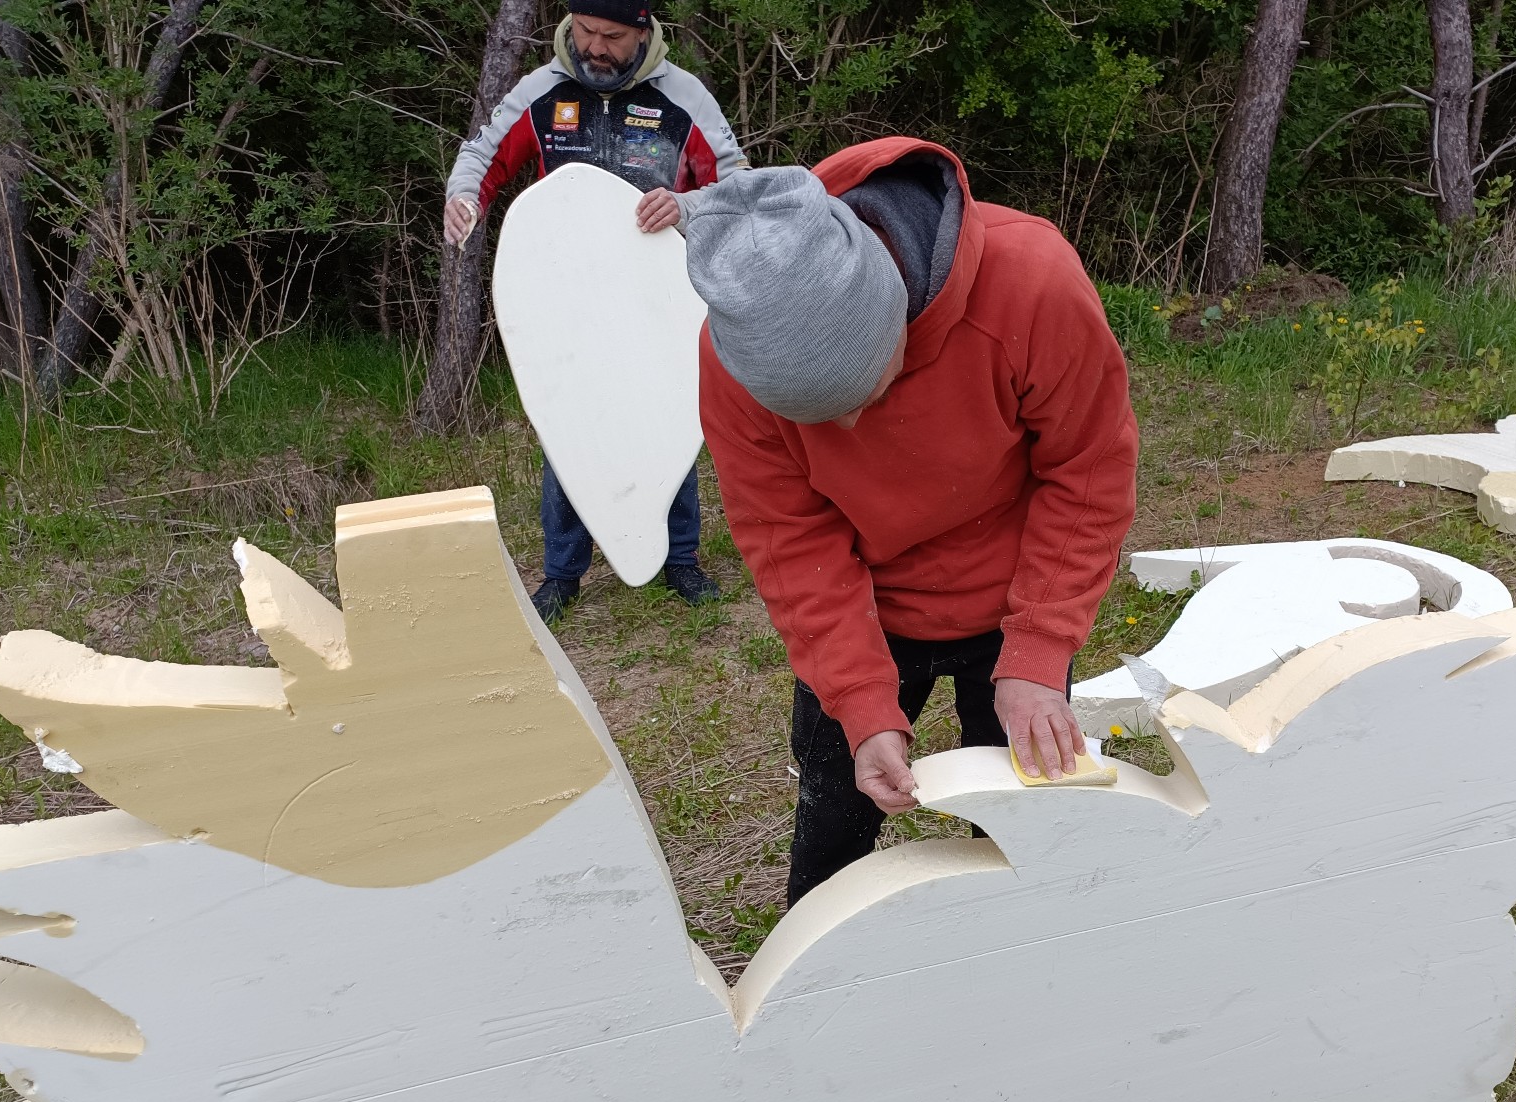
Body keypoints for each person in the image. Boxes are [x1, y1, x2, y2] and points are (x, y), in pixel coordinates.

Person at [658, 139, 1139, 906]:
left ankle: (1020, 945)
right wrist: (857, 698)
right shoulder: (732, 360)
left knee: (1025, 834)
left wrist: (1038, 649)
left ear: (890, 308)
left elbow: (1086, 470)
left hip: (1012, 590)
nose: (848, 431)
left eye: (865, 391)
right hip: (865, 609)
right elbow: (789, 538)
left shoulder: (1030, 284)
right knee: (833, 821)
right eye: (814, 418)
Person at [444, 0, 747, 618]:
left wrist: (687, 207)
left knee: (665, 417)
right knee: (571, 422)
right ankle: (562, 574)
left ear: (643, 31)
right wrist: (464, 195)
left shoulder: (684, 98)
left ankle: (679, 560)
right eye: (585, 32)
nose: (595, 47)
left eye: (611, 36)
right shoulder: (541, 91)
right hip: (569, 302)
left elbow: (740, 184)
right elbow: (482, 157)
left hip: (658, 300)